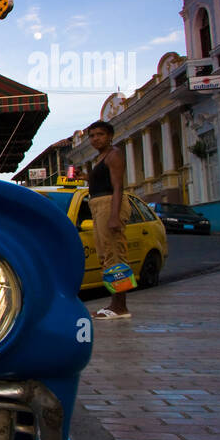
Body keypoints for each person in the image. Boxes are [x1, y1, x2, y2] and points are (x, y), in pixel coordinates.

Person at [86, 120, 131, 319]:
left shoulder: (114, 155)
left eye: (100, 134)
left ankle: (120, 306)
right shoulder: (100, 158)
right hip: (97, 205)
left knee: (115, 255)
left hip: (109, 204)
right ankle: (114, 303)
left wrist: (114, 216)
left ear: (109, 136)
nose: (96, 138)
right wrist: (85, 178)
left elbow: (117, 186)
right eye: (92, 135)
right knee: (106, 255)